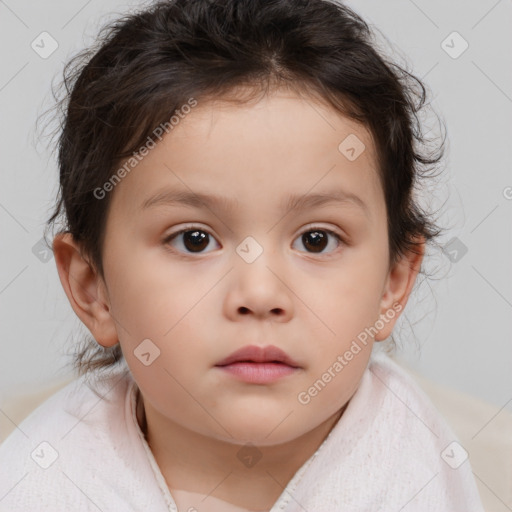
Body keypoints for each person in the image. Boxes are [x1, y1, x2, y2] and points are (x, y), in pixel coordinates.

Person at [0, 0, 484, 510]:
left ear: (393, 282)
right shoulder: (42, 483)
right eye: (194, 239)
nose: (259, 294)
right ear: (92, 287)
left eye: (316, 239)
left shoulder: (425, 475)